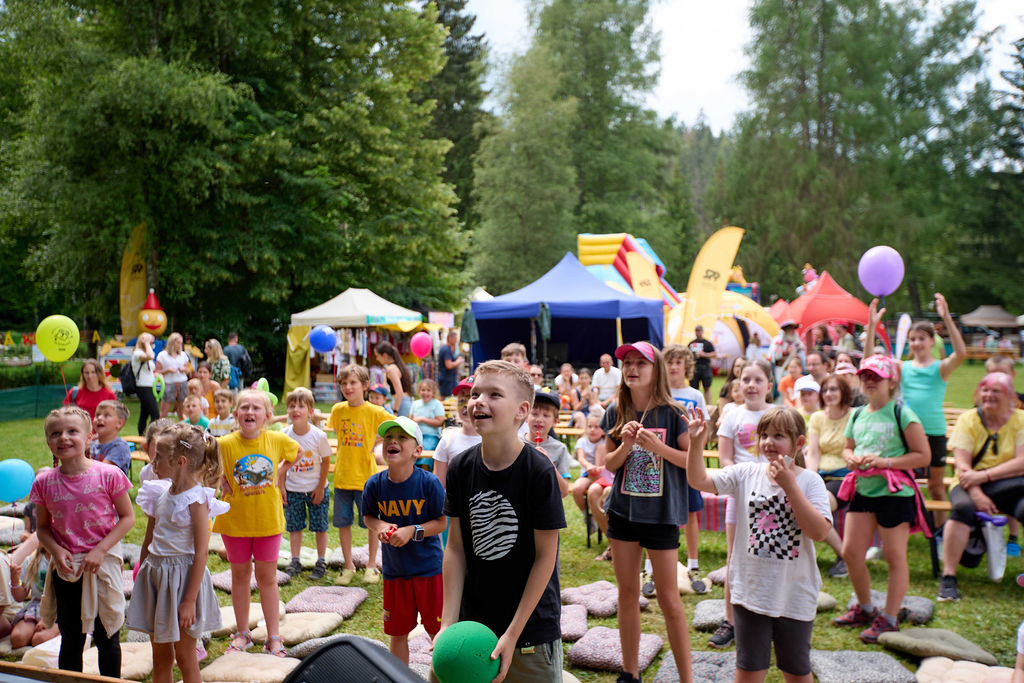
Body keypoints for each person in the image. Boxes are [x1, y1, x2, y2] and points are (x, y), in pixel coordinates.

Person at [440, 360, 566, 682]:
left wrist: (512, 634)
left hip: (530, 631)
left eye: (494, 394)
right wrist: (447, 624)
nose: (478, 400)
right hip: (473, 626)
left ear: (521, 410)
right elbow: (454, 549)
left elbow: (545, 559)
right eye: (475, 393)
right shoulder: (459, 468)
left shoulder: (538, 472)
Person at [686, 406, 831, 683]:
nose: (768, 442)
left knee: (796, 671)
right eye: (763, 434)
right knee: (749, 670)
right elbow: (698, 480)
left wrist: (790, 486)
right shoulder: (745, 473)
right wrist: (695, 443)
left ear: (799, 442)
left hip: (794, 595)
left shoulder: (810, 482)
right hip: (750, 593)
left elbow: (820, 531)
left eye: (778, 435)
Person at [596, 341, 692, 683]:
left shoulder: (675, 413)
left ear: (657, 370)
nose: (632, 368)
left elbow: (690, 464)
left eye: (641, 363)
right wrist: (626, 443)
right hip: (623, 515)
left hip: (662, 516)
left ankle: (687, 678)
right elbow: (608, 464)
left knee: (669, 599)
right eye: (628, 363)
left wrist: (657, 446)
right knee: (627, 594)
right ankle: (630, 672)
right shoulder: (615, 411)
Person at [30, 406, 134, 676]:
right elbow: (42, 528)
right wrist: (56, 550)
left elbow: (127, 518)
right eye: (55, 434)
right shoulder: (44, 482)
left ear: (89, 437)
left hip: (101, 568)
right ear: (48, 442)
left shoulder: (108, 475)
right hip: (67, 571)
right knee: (71, 638)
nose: (63, 437)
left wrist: (99, 550)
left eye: (72, 431)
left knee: (107, 636)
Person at [832, 355, 929, 643]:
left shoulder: (903, 414)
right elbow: (848, 447)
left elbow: (923, 456)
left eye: (876, 376)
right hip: (863, 489)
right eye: (865, 376)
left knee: (894, 556)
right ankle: (864, 608)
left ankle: (888, 619)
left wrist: (885, 462)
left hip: (895, 495)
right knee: (850, 552)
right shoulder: (858, 414)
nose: (870, 381)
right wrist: (850, 458)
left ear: (891, 381)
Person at [127, 423, 227, 683]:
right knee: (160, 658)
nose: (153, 461)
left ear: (180, 461)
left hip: (184, 583)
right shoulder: (159, 491)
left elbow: (201, 553)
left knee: (185, 657)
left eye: (158, 456)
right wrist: (142, 571)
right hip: (157, 579)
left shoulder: (196, 500)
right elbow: (150, 538)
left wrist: (189, 601)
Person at [866, 294, 966, 525]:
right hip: (906, 432)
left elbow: (961, 354)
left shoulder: (941, 368)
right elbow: (871, 360)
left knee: (936, 486)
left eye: (921, 338)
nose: (917, 343)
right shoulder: (903, 367)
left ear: (932, 341)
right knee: (899, 482)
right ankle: (900, 525)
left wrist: (947, 319)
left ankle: (940, 532)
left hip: (933, 432)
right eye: (912, 339)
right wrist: (872, 326)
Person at [214, 389, 297, 657]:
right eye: (244, 407)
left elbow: (295, 453)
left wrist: (279, 473)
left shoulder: (276, 439)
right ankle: (242, 633)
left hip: (267, 522)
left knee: (267, 578)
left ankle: (273, 637)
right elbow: (205, 462)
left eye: (256, 408)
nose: (250, 412)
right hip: (234, 523)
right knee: (239, 577)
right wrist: (219, 479)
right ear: (236, 413)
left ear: (268, 415)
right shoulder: (224, 443)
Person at [362, 417, 446, 665]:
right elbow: (368, 517)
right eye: (388, 437)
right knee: (398, 633)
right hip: (395, 573)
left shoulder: (429, 483)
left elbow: (441, 522)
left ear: (417, 451)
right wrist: (381, 526)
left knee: (437, 633)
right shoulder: (374, 484)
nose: (393, 441)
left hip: (429, 571)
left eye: (401, 438)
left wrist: (413, 530)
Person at [937, 372, 1024, 601]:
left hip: (1008, 484)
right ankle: (948, 578)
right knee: (962, 508)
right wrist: (977, 494)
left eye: (996, 390)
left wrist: (984, 476)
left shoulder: (1021, 420)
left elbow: (1022, 462)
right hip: (968, 484)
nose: (989, 395)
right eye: (985, 389)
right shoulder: (968, 419)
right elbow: (963, 466)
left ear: (1010, 396)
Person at [710, 358, 774, 649]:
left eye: (758, 380)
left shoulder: (777, 414)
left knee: (769, 556)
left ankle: (766, 616)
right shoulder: (732, 414)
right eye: (746, 379)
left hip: (772, 497)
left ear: (768, 386)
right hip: (739, 495)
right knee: (735, 557)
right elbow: (725, 460)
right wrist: (741, 481)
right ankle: (730, 621)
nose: (751, 385)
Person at [328, 364, 390, 585]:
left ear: (365, 386)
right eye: (344, 383)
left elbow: (392, 427)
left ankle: (372, 565)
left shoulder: (376, 411)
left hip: (367, 479)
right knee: (343, 524)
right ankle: (348, 565)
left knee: (372, 524)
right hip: (343, 478)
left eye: (353, 382)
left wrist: (376, 442)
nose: (347, 387)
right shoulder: (338, 410)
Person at [663, 343, 709, 591]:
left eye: (678, 362)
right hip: (663, 463)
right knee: (662, 513)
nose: (673, 367)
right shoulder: (659, 392)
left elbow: (705, 429)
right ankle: (651, 567)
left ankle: (693, 564)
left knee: (691, 513)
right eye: (669, 362)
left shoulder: (695, 395)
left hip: (688, 464)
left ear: (687, 366)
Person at [806, 374, 855, 578]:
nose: (829, 394)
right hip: (822, 477)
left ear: (843, 392)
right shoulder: (817, 417)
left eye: (834, 389)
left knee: (817, 508)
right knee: (803, 502)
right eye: (825, 390)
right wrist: (809, 479)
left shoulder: (855, 415)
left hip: (846, 478)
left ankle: (844, 556)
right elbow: (814, 452)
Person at [282, 387, 332, 581]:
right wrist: (281, 487)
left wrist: (320, 488)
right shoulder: (285, 435)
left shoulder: (318, 436)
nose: (296, 409)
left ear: (311, 412)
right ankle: (295, 560)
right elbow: (282, 463)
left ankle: (321, 561)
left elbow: (326, 461)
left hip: (315, 489)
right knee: (294, 527)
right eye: (292, 405)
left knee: (320, 526)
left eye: (301, 406)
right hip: (293, 489)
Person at [570, 415, 610, 555]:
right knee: (577, 489)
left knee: (599, 491)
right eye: (590, 426)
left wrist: (599, 468)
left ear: (603, 430)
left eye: (596, 427)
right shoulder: (582, 441)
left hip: (600, 474)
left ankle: (598, 516)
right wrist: (588, 466)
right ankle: (589, 517)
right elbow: (581, 457)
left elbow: (608, 462)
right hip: (587, 473)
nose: (592, 430)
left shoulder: (605, 443)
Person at [522, 390, 573, 498]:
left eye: (546, 415)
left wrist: (549, 463)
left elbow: (564, 491)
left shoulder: (560, 449)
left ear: (555, 421)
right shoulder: (515, 443)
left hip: (546, 507)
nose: (539, 419)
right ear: (526, 416)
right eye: (534, 414)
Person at [9, 542, 60, 649]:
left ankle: (61, 629)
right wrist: (14, 580)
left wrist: (46, 619)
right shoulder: (31, 561)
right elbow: (20, 597)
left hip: (60, 608)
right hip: (37, 607)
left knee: (39, 640)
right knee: (17, 639)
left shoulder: (64, 560)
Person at [432, 376, 480, 488]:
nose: (466, 406)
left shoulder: (495, 440)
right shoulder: (448, 440)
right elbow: (439, 488)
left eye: (472, 398)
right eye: (462, 399)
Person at [91, 400, 132, 477]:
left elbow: (102, 472)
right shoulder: (91, 444)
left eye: (106, 415)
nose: (99, 418)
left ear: (119, 423)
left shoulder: (120, 447)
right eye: (97, 415)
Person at [156, 332, 192, 418]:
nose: (180, 345)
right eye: (178, 342)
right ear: (172, 342)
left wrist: (185, 369)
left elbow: (189, 370)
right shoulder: (162, 355)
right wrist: (167, 370)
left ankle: (182, 428)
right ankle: (162, 429)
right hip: (168, 384)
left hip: (182, 383)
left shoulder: (183, 355)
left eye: (181, 343)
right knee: (164, 410)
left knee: (182, 411)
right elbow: (157, 371)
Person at [374, 341, 413, 417]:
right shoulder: (399, 365)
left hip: (401, 403)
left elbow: (399, 392)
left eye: (377, 356)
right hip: (405, 401)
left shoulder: (391, 369)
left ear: (384, 355)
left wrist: (395, 411)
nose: (377, 359)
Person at [132, 333, 160, 434]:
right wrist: (147, 343)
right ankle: (152, 435)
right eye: (151, 342)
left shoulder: (143, 353)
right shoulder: (138, 353)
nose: (152, 345)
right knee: (155, 414)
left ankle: (142, 435)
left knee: (144, 413)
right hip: (143, 387)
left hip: (148, 386)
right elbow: (151, 356)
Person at [410, 379, 446, 451]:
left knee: (425, 448)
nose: (425, 393)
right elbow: (410, 420)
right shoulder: (415, 404)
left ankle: (424, 463)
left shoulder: (437, 404)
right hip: (415, 435)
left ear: (433, 393)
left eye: (428, 390)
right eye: (423, 390)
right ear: (419, 391)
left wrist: (423, 419)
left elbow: (440, 422)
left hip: (431, 435)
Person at [769, 321, 807, 388]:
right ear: (785, 330)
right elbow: (773, 356)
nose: (792, 331)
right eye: (790, 329)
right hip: (781, 370)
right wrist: (785, 353)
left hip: (795, 370)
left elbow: (802, 356)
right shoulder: (777, 341)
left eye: (793, 329)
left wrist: (797, 353)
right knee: (783, 387)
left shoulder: (797, 341)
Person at [688, 325, 716, 403]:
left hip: (705, 367)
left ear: (702, 331)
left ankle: (709, 405)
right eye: (696, 331)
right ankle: (694, 404)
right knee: (694, 388)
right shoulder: (691, 343)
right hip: (694, 367)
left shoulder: (707, 343)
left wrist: (704, 354)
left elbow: (714, 354)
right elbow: (687, 354)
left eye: (699, 330)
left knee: (706, 387)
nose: (698, 332)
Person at [437, 332, 464, 397]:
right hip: (446, 379)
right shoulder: (446, 349)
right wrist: (458, 361)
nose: (456, 340)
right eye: (455, 338)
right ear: (450, 338)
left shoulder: (447, 349)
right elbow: (448, 365)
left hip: (449, 379)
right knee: (446, 398)